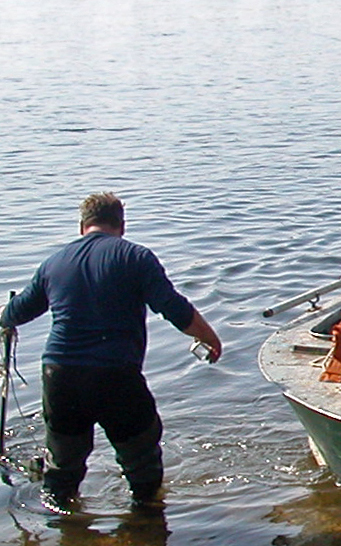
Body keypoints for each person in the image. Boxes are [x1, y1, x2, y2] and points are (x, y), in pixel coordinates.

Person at [0, 192, 222, 505]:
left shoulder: (53, 263)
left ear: (82, 227)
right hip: (115, 374)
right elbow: (173, 308)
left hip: (60, 374)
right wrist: (209, 337)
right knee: (142, 463)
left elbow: (17, 312)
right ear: (122, 225)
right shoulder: (136, 257)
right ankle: (146, 529)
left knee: (62, 470)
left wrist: (4, 319)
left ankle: (66, 537)